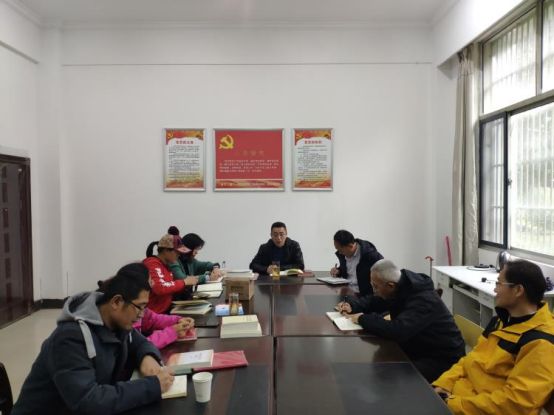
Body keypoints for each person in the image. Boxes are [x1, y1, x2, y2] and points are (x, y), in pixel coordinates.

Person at [11, 266, 175, 415]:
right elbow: (88, 400)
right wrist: (152, 386)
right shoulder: (69, 338)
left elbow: (140, 343)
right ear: (116, 302)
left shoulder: (117, 323)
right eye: (140, 307)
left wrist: (147, 356)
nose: (141, 315)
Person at [432, 260, 554, 415]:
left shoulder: (540, 342)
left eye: (499, 283)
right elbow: (470, 360)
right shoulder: (501, 321)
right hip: (460, 399)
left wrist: (453, 403)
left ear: (518, 290)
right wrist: (444, 384)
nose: (495, 289)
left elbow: (515, 405)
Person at [338, 259, 465, 382]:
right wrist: (353, 306)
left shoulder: (424, 300)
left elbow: (398, 331)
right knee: (378, 369)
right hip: (419, 347)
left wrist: (361, 318)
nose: (374, 290)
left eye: (375, 286)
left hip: (442, 360)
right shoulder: (401, 285)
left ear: (390, 286)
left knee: (387, 376)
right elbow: (375, 299)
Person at [98, 263, 195, 349]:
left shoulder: (133, 307)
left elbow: (154, 319)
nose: (153, 284)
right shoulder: (121, 319)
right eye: (150, 281)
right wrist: (171, 333)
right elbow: (134, 349)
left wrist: (178, 320)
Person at [142, 233, 193, 313]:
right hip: (153, 314)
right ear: (166, 250)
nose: (178, 255)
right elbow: (159, 288)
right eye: (177, 252)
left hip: (165, 310)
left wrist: (185, 286)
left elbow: (169, 290)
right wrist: (184, 282)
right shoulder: (152, 264)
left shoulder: (165, 265)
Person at [330, 230, 384, 296]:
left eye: (341, 250)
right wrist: (339, 271)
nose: (340, 253)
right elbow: (347, 270)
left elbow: (385, 273)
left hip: (364, 296)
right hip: (346, 292)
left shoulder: (371, 255)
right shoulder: (344, 254)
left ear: (350, 246)